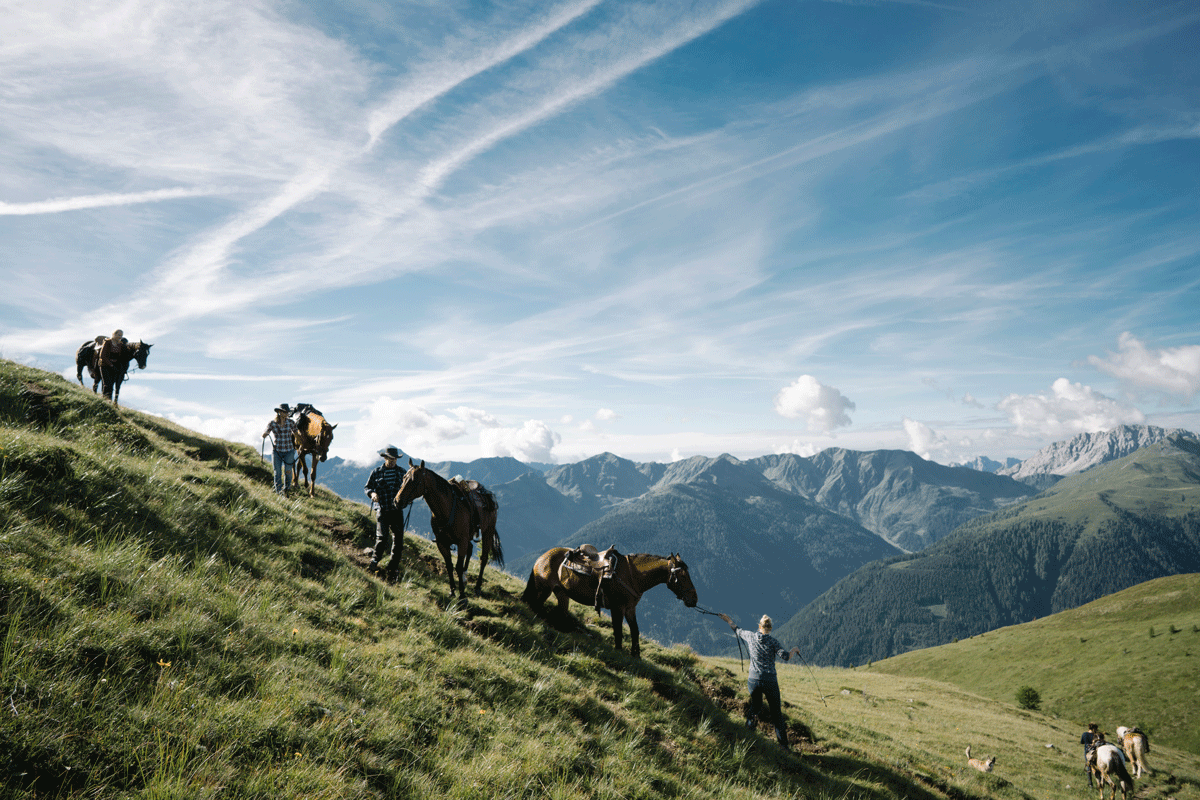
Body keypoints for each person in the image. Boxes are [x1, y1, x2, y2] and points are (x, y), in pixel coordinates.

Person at [719, 612, 791, 749]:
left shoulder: (750, 636)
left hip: (753, 679)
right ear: (770, 628)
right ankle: (783, 746)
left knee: (755, 708)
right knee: (776, 713)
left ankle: (748, 736)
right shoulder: (773, 642)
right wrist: (794, 650)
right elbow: (785, 656)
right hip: (770, 680)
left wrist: (728, 619)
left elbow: (737, 630)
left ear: (759, 626)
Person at [365, 445, 407, 580]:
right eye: (390, 458)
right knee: (382, 538)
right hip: (382, 510)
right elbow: (367, 487)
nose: (392, 461)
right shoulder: (376, 472)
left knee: (398, 541)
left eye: (394, 458)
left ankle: (393, 567)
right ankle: (374, 561)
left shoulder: (402, 473)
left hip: (397, 511)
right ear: (385, 458)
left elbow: (408, 489)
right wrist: (372, 494)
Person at [261, 403, 298, 496]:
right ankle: (278, 492)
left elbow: (297, 433)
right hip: (277, 451)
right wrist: (265, 434)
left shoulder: (291, 422)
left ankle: (287, 489)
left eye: (287, 412)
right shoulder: (272, 423)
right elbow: (266, 431)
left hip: (289, 451)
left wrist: (301, 440)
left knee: (288, 472)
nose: (287, 414)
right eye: (285, 412)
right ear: (279, 412)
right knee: (277, 472)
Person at [95, 329, 128, 401]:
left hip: (114, 367)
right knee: (107, 384)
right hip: (104, 365)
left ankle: (109, 401)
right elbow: (102, 356)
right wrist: (111, 365)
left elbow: (120, 356)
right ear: (114, 334)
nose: (120, 337)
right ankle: (104, 400)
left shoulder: (120, 344)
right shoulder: (107, 342)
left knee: (112, 385)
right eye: (119, 335)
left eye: (121, 335)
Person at [1081, 722, 1100, 787]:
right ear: (1094, 728)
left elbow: (1082, 742)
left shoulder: (1084, 734)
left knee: (1088, 766)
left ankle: (1090, 783)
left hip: (1087, 752)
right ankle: (1099, 782)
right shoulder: (1096, 735)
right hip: (1095, 752)